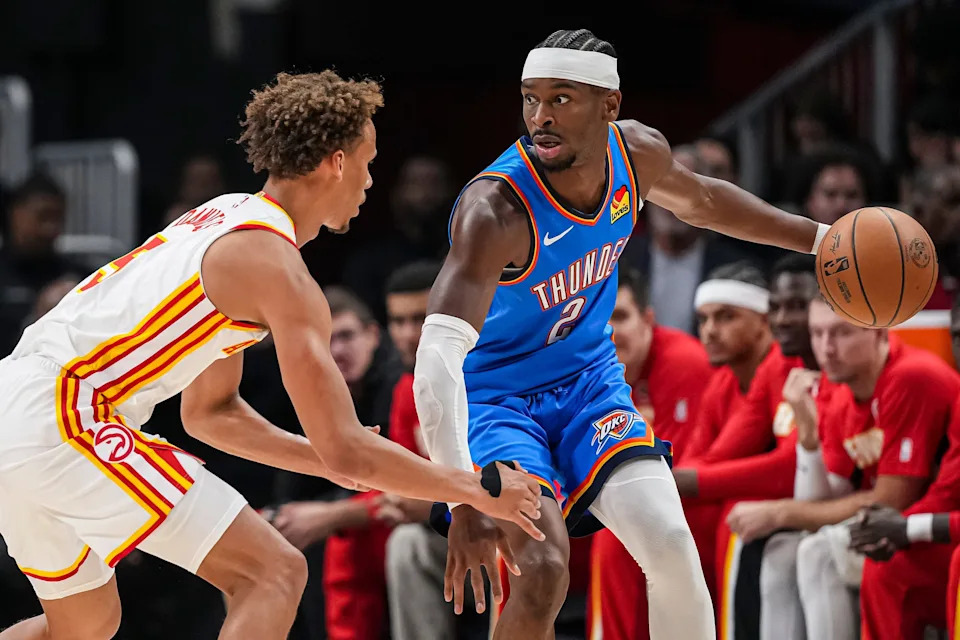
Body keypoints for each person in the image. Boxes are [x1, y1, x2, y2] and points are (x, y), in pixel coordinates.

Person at [0, 70, 542, 640]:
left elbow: (211, 414)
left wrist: (335, 462)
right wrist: (477, 487)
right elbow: (347, 449)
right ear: (336, 162)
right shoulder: (279, 270)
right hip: (66, 414)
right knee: (274, 573)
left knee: (83, 625)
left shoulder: (226, 215)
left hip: (16, 406)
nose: (368, 181)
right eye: (368, 161)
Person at [415, 29, 830, 640]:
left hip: (590, 385)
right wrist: (463, 497)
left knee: (668, 541)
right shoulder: (496, 211)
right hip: (495, 402)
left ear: (609, 105)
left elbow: (707, 200)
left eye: (562, 99)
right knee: (545, 568)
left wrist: (821, 240)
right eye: (531, 99)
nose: (541, 117)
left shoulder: (636, 155)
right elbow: (434, 363)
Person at [728, 297, 960, 640]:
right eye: (818, 333)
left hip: (931, 532)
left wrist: (778, 513)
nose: (826, 348)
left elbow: (891, 501)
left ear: (880, 332)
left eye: (841, 333)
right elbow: (821, 499)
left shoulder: (911, 376)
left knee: (818, 553)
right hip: (902, 526)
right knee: (783, 551)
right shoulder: (839, 389)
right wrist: (808, 435)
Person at [588, 265, 713, 640]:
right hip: (594, 502)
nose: (608, 331)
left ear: (648, 320)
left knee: (618, 535)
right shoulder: (579, 369)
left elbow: (676, 475)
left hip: (697, 504)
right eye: (598, 319)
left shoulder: (683, 361)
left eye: (620, 317)